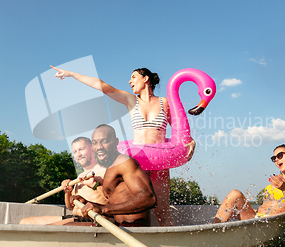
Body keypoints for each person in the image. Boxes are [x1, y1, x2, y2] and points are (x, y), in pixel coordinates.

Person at [50, 65, 195, 226]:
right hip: (139, 162)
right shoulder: (131, 100)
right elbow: (103, 86)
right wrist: (71, 73)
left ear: (145, 78)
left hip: (160, 164)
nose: (129, 81)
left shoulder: (165, 103)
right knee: (133, 204)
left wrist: (190, 141)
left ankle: (170, 242)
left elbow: (178, 128)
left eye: (133, 77)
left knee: (162, 211)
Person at [72, 124, 157, 227]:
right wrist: (87, 203)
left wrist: (103, 209)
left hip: (134, 228)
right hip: (118, 226)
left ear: (116, 142)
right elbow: (117, 204)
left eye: (104, 141)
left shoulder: (124, 162)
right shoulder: (110, 166)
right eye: (95, 143)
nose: (99, 147)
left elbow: (149, 198)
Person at [19, 137, 107, 225]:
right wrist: (67, 192)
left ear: (92, 150)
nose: (78, 154)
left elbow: (113, 200)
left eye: (81, 149)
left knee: (45, 229)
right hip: (74, 217)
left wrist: (94, 185)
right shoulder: (80, 176)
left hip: (93, 218)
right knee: (25, 222)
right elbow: (70, 207)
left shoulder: (104, 172)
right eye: (75, 151)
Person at [213, 144, 285, 223]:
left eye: (280, 156)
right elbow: (269, 205)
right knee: (234, 195)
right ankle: (213, 230)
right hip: (258, 217)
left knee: (235, 193)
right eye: (274, 158)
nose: (277, 160)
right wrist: (248, 210)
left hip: (269, 223)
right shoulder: (278, 179)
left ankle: (213, 233)